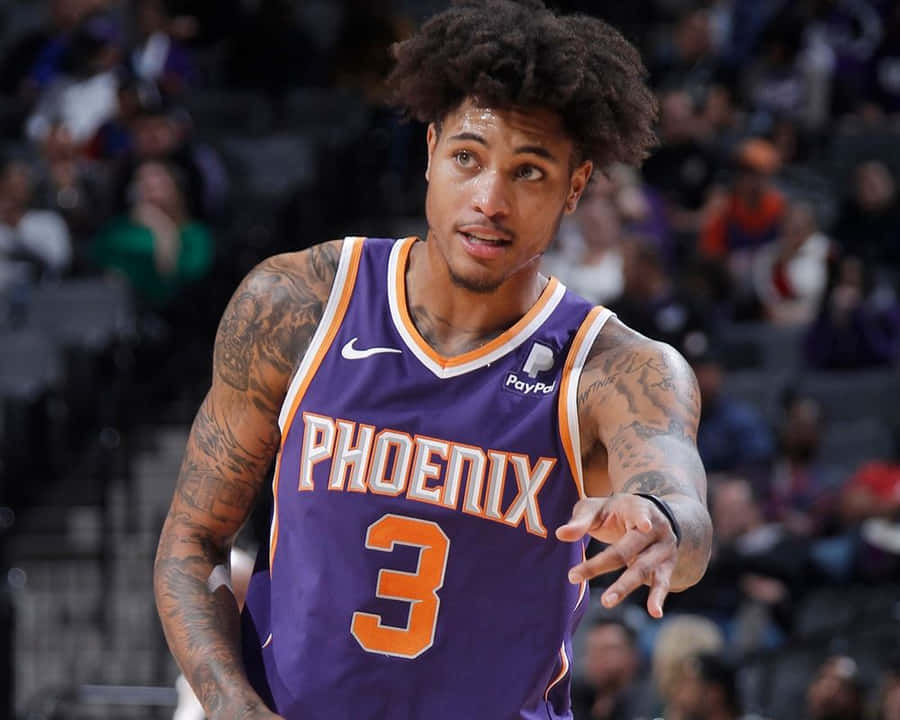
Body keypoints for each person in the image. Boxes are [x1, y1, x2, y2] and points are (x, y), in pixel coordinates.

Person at [153, 2, 713, 719]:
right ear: (429, 151)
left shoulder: (616, 369)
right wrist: (231, 703)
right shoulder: (297, 304)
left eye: (529, 171)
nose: (490, 200)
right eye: (467, 158)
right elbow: (193, 539)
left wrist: (664, 522)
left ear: (575, 186)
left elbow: (681, 509)